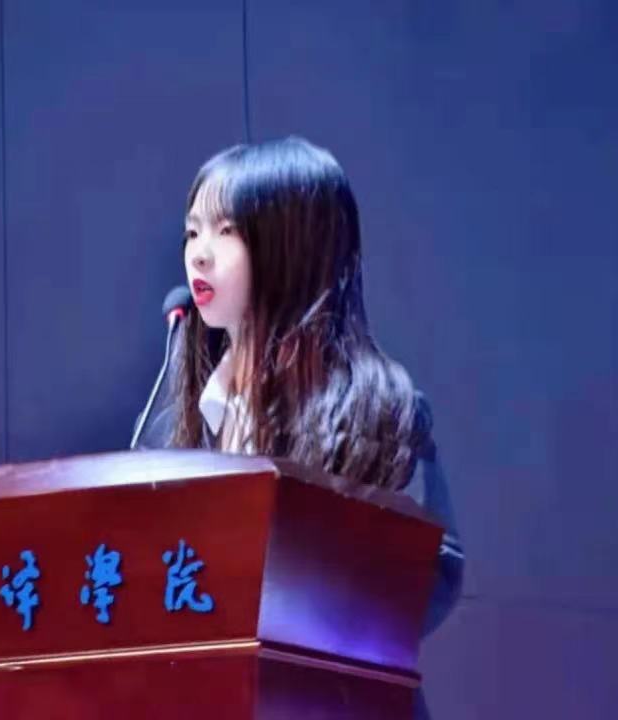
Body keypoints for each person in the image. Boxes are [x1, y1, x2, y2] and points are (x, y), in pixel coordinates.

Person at [136, 136, 462, 718]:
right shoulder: (179, 416)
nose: (198, 256)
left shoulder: (376, 407)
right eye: (192, 232)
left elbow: (432, 570)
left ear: (294, 246)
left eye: (226, 231)